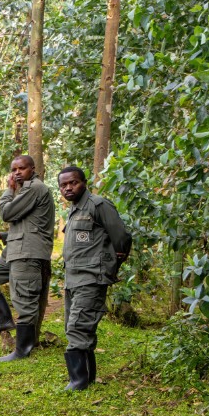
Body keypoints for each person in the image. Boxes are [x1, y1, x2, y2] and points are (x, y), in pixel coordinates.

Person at [57, 164, 132, 391]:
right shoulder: (74, 209)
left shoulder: (98, 205)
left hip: (91, 278)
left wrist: (111, 264)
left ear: (84, 183)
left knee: (78, 326)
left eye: (73, 182)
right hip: (73, 279)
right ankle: (86, 377)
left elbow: (121, 238)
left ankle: (78, 381)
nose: (68, 188)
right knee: (76, 326)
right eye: (63, 185)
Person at [0, 154, 55, 361]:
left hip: (27, 254)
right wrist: (2, 236)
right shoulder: (26, 189)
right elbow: (28, 226)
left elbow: (7, 213)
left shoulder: (34, 188)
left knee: (24, 300)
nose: (17, 173)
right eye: (13, 170)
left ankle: (23, 350)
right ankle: (3, 320)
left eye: (21, 168)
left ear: (33, 169)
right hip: (16, 251)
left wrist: (8, 190)